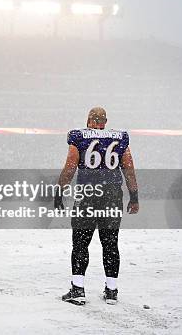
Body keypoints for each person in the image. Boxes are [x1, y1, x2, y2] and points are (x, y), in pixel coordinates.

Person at [55, 107, 139, 305]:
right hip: (111, 195)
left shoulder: (78, 136)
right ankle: (111, 290)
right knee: (110, 243)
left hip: (88, 196)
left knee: (80, 243)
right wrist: (134, 196)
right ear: (105, 121)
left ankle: (78, 289)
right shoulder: (120, 138)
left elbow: (70, 165)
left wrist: (59, 191)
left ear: (89, 120)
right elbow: (128, 167)